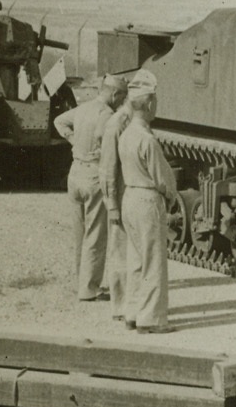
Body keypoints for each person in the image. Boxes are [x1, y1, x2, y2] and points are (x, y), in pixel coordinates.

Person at [54, 74, 128, 301]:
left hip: (75, 172)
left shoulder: (83, 108)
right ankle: (89, 289)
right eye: (122, 98)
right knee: (95, 235)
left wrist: (74, 140)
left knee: (80, 233)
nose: (122, 102)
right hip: (94, 177)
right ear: (115, 94)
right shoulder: (108, 116)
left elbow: (59, 121)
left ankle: (81, 282)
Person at [117, 70, 177, 333]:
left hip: (129, 197)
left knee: (135, 260)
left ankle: (132, 313)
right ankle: (151, 320)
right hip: (147, 200)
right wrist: (171, 195)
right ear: (150, 103)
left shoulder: (127, 134)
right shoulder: (147, 139)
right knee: (153, 262)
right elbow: (162, 178)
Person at [99, 79, 133, 321]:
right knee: (120, 253)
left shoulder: (130, 120)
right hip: (120, 197)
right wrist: (112, 205)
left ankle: (131, 304)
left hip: (131, 196)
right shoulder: (117, 124)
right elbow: (108, 169)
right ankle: (119, 307)